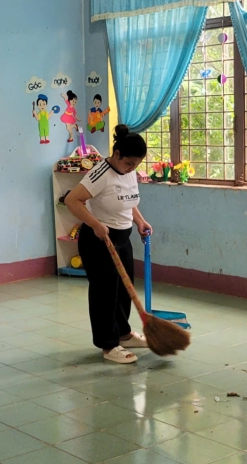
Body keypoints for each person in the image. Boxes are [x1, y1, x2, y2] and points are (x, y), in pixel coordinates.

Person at [65, 125, 153, 363]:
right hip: (99, 239)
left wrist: (140, 221)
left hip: (122, 238)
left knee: (124, 289)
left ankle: (123, 334)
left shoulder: (128, 172)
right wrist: (94, 224)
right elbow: (72, 200)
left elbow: (127, 200)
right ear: (116, 155)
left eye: (136, 165)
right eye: (129, 164)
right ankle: (108, 345)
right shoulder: (99, 173)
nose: (132, 169)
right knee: (105, 293)